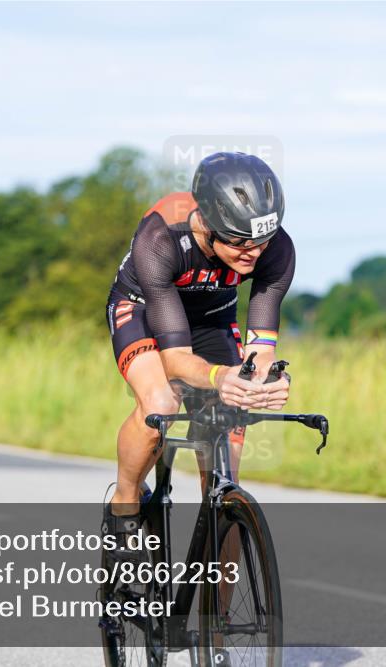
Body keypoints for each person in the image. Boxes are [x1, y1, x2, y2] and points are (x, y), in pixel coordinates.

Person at [102, 151, 295, 558]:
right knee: (161, 401)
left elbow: (261, 347)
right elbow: (174, 360)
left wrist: (264, 382)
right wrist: (218, 378)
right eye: (240, 242)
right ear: (206, 222)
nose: (253, 254)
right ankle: (125, 500)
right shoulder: (160, 239)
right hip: (142, 311)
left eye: (261, 242)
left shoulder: (276, 248)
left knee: (227, 471)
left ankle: (219, 619)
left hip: (211, 318)